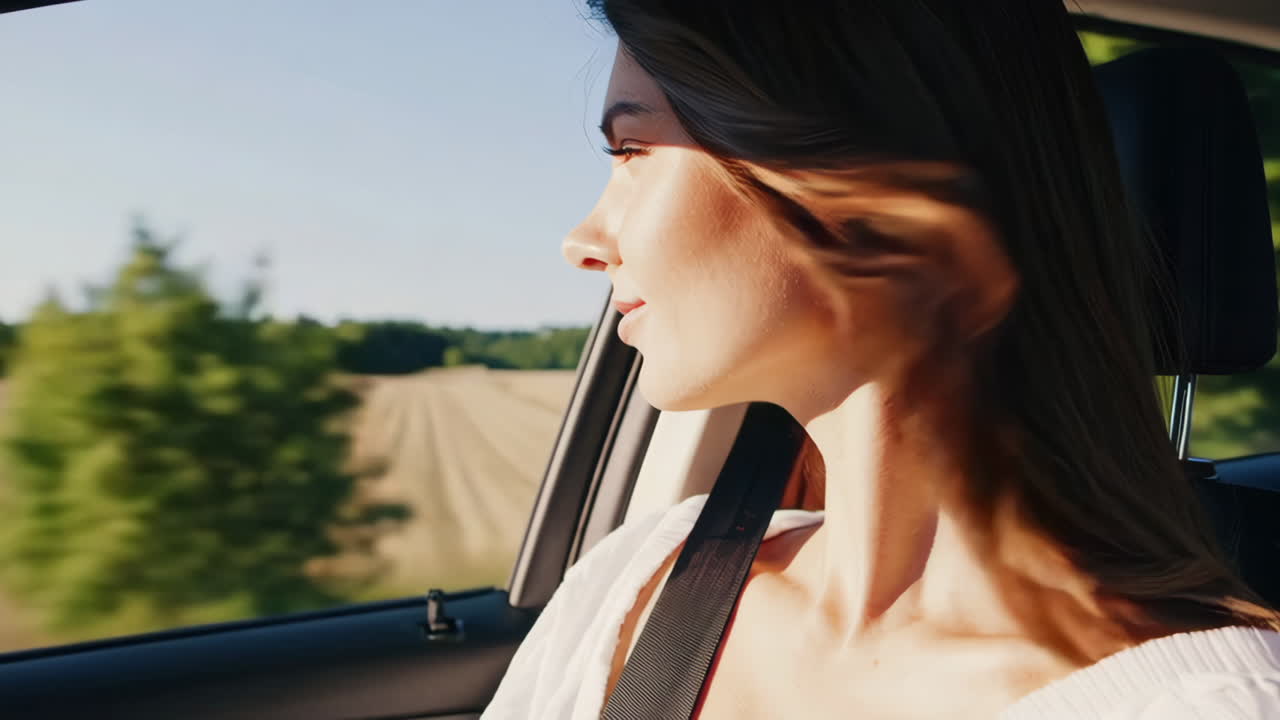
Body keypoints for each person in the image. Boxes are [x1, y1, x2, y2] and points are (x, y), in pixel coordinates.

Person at [483, 1, 1280, 718]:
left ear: (871, 184)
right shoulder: (637, 585)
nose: (582, 241)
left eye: (631, 151)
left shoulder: (1207, 703)